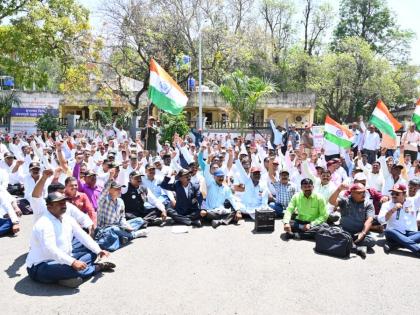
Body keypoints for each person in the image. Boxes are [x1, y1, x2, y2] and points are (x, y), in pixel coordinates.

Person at [25, 191, 115, 288]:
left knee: (92, 252)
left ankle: (67, 277)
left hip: (65, 258)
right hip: (41, 266)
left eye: (64, 202)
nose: (63, 205)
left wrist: (98, 250)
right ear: (49, 206)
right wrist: (73, 262)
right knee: (70, 270)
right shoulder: (44, 223)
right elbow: (50, 250)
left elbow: (82, 236)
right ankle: (96, 268)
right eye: (60, 203)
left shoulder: (67, 218)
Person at [96, 168, 147, 251]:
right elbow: (104, 191)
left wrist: (126, 226)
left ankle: (124, 235)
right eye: (117, 189)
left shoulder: (120, 201)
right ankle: (133, 235)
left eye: (120, 188)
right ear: (110, 190)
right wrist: (110, 178)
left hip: (119, 226)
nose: (119, 190)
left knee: (140, 220)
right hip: (106, 229)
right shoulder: (103, 200)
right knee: (114, 229)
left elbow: (122, 217)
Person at [329, 183, 376, 259]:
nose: (363, 194)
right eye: (360, 192)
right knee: (332, 232)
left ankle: (346, 244)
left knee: (372, 240)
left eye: (364, 192)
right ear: (352, 193)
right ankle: (357, 248)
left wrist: (363, 233)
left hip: (358, 233)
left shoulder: (368, 204)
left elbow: (369, 219)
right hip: (344, 231)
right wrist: (338, 190)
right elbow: (331, 201)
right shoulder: (345, 200)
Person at [378, 184, 420, 257]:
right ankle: (417, 249)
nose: (394, 195)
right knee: (388, 231)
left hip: (410, 233)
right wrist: (393, 209)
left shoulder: (413, 202)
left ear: (404, 194)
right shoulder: (387, 205)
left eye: (397, 194)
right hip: (394, 234)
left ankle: (393, 245)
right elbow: (381, 220)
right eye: (392, 193)